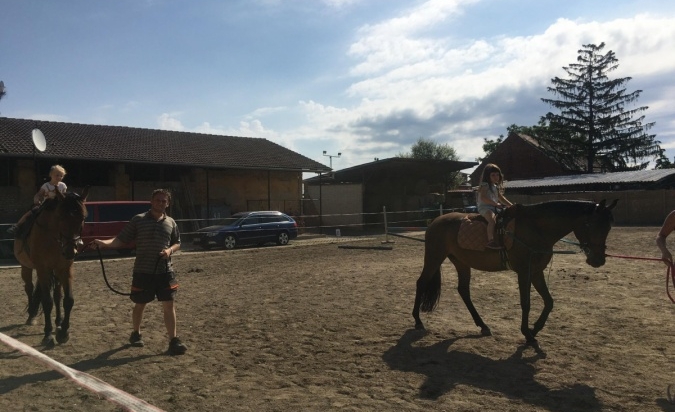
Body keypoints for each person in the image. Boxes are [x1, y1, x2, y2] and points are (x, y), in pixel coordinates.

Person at [90, 189, 187, 355]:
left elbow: (177, 242)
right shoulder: (138, 220)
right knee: (140, 304)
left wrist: (170, 251)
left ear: (168, 204)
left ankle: (173, 340)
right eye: (158, 200)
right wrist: (104, 243)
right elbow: (121, 240)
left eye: (164, 201)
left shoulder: (171, 222)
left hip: (165, 271)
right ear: (151, 201)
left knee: (169, 304)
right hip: (143, 270)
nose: (161, 203)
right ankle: (136, 333)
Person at [8, 164, 68, 235]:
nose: (59, 177)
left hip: (58, 205)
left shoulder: (63, 186)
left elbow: (64, 196)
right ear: (51, 175)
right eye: (57, 175)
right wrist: (36, 199)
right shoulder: (46, 185)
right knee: (32, 212)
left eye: (61, 176)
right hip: (47, 205)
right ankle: (17, 225)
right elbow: (39, 194)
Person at [476, 163, 512, 249]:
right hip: (485, 207)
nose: (496, 177)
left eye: (497, 174)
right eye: (493, 175)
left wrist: (511, 205)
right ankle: (490, 241)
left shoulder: (495, 187)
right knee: (492, 220)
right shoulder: (485, 185)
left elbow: (501, 198)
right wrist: (496, 204)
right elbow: (483, 198)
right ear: (487, 176)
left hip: (494, 207)